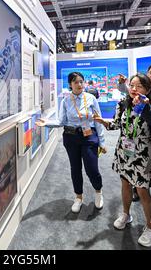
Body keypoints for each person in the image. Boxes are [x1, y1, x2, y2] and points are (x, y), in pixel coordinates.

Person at [94, 73, 151, 247]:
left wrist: (145, 108)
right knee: (125, 184)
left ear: (147, 89)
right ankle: (126, 214)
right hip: (124, 151)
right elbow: (116, 124)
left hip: (142, 153)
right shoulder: (123, 103)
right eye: (132, 85)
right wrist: (103, 122)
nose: (134, 89)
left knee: (143, 191)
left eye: (139, 86)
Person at [37, 72, 107, 213]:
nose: (80, 85)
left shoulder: (91, 98)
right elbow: (61, 121)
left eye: (81, 81)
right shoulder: (65, 100)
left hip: (89, 137)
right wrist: (47, 123)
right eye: (76, 82)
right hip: (71, 137)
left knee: (91, 168)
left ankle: (98, 191)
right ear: (70, 84)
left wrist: (102, 141)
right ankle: (78, 197)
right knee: (75, 168)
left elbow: (98, 121)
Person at [118, 64, 151, 210]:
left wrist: (145, 107)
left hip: (147, 150)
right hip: (127, 150)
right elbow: (120, 124)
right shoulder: (126, 102)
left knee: (150, 181)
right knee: (128, 182)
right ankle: (127, 211)